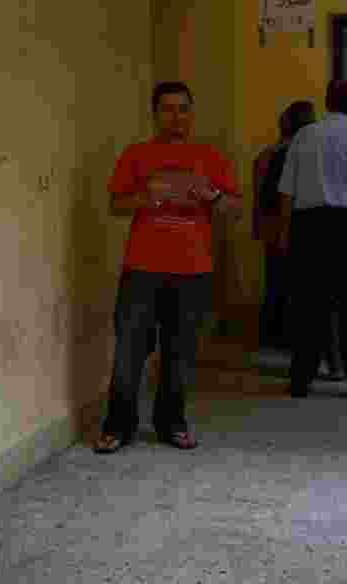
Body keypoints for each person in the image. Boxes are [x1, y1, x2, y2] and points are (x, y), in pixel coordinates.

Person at [94, 81, 243, 454]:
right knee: (130, 351)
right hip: (142, 267)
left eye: (182, 109)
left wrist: (213, 196)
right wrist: (149, 197)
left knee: (180, 352)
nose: (175, 116)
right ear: (155, 113)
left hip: (193, 269)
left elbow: (234, 210)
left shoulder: (211, 157)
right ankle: (118, 426)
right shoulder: (137, 155)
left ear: (192, 113)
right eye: (167, 108)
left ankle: (171, 424)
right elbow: (115, 205)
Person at [277, 80, 347, 399]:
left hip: (308, 229)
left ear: (325, 101)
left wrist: (285, 233)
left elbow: (287, 192)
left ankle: (301, 380)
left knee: (307, 308)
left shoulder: (302, 138)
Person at [252, 102, 313, 351]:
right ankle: (288, 336)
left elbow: (260, 195)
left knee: (275, 281)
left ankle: (271, 334)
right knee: (294, 285)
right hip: (290, 225)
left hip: (270, 225)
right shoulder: (297, 155)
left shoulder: (266, 154)